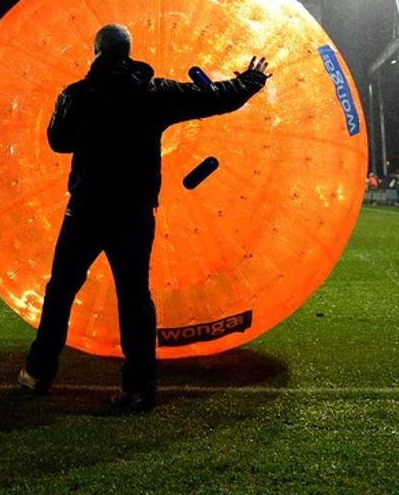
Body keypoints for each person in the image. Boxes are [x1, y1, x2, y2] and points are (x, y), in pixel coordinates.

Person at [18, 23, 270, 412]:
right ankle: (139, 388)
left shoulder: (79, 93)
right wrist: (251, 79)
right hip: (133, 211)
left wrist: (75, 109)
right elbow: (217, 98)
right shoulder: (154, 92)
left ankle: (38, 373)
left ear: (97, 51)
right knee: (134, 296)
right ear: (128, 52)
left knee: (62, 290)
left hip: (86, 208)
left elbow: (58, 140)